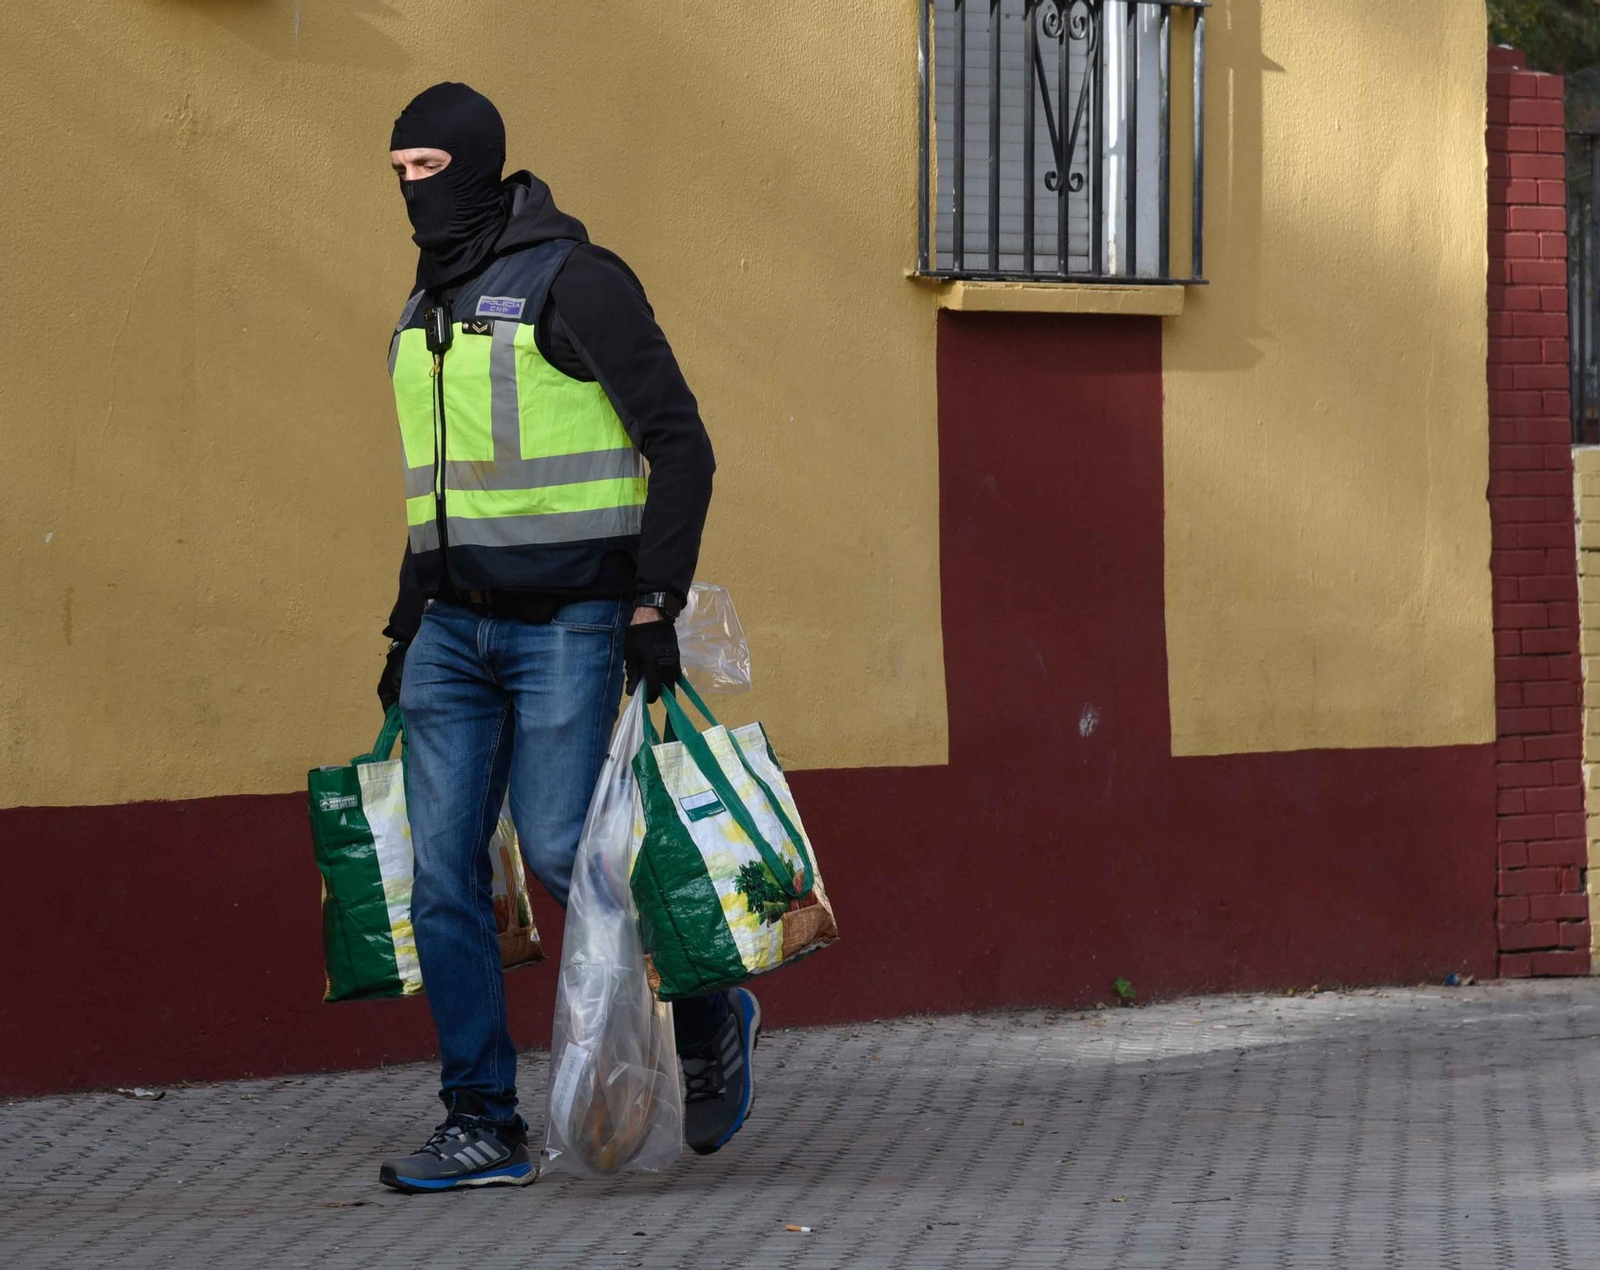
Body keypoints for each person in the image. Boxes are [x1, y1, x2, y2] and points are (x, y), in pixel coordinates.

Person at [372, 82, 758, 1193]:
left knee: (560, 855)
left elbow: (681, 444)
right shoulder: (426, 302)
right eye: (398, 173)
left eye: (427, 171)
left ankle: (706, 1002)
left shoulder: (573, 280)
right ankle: (482, 1121)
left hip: (569, 625)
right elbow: (441, 490)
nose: (410, 194)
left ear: (480, 165)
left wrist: (653, 603)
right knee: (442, 877)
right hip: (451, 628)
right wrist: (406, 624)